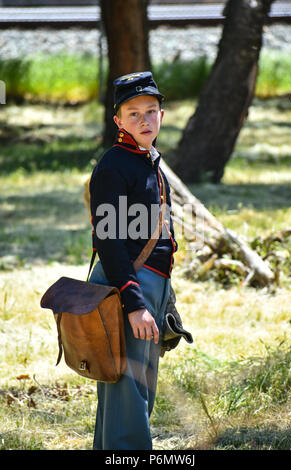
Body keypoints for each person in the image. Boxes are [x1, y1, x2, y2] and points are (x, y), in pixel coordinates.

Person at [88, 71, 177, 450]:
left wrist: (165, 296)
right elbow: (108, 243)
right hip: (126, 286)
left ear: (161, 114)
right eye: (134, 113)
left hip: (151, 284)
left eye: (151, 111)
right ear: (118, 121)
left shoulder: (148, 159)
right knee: (128, 391)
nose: (144, 120)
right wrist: (135, 304)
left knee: (134, 390)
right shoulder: (114, 165)